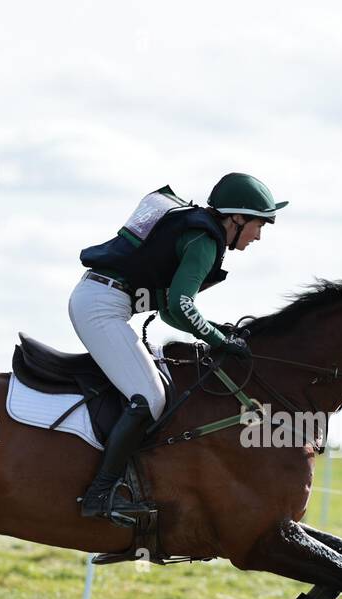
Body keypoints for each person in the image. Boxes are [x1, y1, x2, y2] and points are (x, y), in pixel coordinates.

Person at [70, 173, 286, 524]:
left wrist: (218, 335)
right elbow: (184, 305)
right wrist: (220, 340)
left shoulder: (200, 233)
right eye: (259, 226)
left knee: (156, 390)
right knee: (149, 398)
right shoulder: (205, 241)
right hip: (102, 307)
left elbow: (172, 311)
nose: (259, 236)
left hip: (102, 300)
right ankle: (99, 495)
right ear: (237, 218)